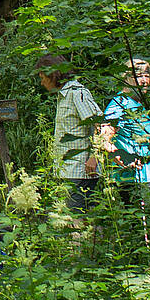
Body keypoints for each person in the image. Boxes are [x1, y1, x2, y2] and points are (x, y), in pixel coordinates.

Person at [102, 58, 150, 233]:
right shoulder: (119, 104)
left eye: (146, 75)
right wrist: (124, 158)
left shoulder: (144, 103)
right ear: (126, 78)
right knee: (144, 230)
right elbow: (104, 138)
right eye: (138, 75)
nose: (144, 80)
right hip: (135, 178)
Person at [39, 54, 104, 213]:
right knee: (70, 218)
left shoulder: (76, 92)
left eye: (43, 78)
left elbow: (100, 124)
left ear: (53, 75)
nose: (42, 83)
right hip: (68, 171)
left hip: (81, 170)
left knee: (76, 219)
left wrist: (94, 157)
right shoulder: (63, 96)